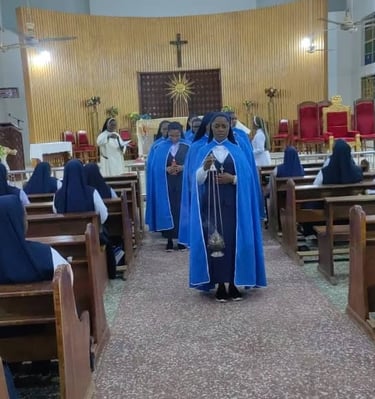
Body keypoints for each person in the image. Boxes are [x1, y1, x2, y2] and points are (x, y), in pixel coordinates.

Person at [189, 112, 267, 302]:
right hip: (212, 207)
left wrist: (233, 179)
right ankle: (220, 285)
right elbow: (197, 181)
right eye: (217, 126)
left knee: (234, 242)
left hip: (234, 207)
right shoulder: (203, 151)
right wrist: (204, 169)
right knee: (216, 243)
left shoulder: (237, 150)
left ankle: (233, 283)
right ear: (211, 128)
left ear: (229, 128)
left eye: (224, 126)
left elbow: (248, 180)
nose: (221, 129)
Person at [53, 159, 117, 279]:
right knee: (106, 238)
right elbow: (103, 215)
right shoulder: (91, 192)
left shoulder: (57, 195)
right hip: (92, 238)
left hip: (65, 238)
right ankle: (110, 273)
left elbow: (56, 214)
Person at [0, 194, 71, 284]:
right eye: (24, 217)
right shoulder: (47, 255)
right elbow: (68, 281)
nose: (27, 221)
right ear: (18, 222)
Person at [147, 122, 190, 251]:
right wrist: (165, 169)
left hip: (183, 182)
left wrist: (183, 167)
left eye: (177, 135)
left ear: (181, 133)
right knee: (169, 208)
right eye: (171, 135)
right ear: (167, 133)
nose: (174, 138)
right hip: (166, 183)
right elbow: (153, 167)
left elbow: (194, 164)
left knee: (182, 210)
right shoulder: (159, 147)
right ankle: (170, 239)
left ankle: (182, 239)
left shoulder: (188, 146)